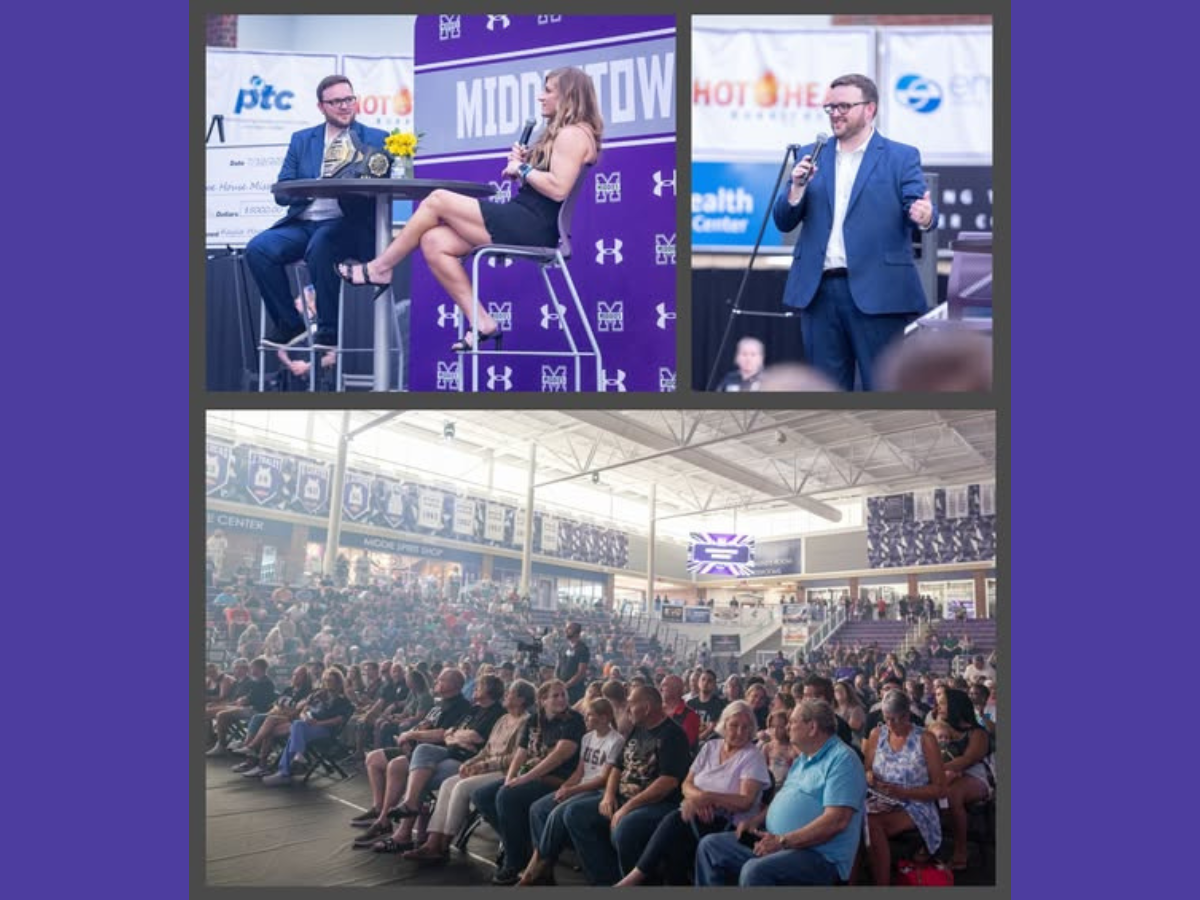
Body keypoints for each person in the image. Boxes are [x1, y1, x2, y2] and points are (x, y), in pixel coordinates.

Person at [336, 67, 602, 352]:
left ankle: (380, 267)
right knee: (434, 240)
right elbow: (543, 183)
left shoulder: (573, 134)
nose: (541, 97)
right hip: (524, 216)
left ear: (569, 95)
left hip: (534, 225)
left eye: (549, 90)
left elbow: (558, 188)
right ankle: (483, 322)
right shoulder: (561, 133)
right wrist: (523, 166)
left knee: (437, 199)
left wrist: (523, 167)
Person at [771, 73, 936, 391]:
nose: (835, 113)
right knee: (825, 391)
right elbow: (784, 221)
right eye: (829, 107)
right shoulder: (810, 153)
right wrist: (796, 187)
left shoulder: (901, 156)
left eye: (844, 106)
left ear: (870, 109)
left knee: (884, 387)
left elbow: (920, 207)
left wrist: (925, 217)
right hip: (819, 294)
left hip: (880, 293)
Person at [244, 75, 389, 349]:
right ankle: (290, 323)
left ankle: (328, 331)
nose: (345, 106)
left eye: (349, 99)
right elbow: (282, 191)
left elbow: (387, 185)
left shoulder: (377, 139)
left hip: (349, 224)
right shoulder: (302, 140)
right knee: (258, 249)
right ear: (321, 107)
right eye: (336, 102)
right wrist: (314, 189)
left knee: (321, 244)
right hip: (304, 222)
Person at [694, 699, 866, 886]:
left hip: (818, 855)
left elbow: (836, 821)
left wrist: (782, 841)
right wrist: (755, 821)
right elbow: (783, 797)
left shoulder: (842, 760)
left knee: (755, 871)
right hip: (778, 841)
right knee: (711, 847)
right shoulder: (804, 758)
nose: (788, 727)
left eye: (793, 722)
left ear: (812, 727)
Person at [616, 701, 770, 886]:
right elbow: (686, 784)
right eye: (734, 725)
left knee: (675, 822)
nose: (739, 732)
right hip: (695, 813)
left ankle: (632, 880)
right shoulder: (711, 747)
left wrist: (708, 798)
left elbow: (746, 801)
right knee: (671, 840)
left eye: (746, 728)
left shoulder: (752, 756)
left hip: (731, 824)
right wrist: (698, 800)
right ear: (724, 724)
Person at [561, 686, 691, 885]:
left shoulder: (672, 735)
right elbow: (617, 767)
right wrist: (609, 796)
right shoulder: (637, 729)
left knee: (625, 828)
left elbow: (668, 782)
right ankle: (607, 880)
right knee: (575, 813)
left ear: (646, 708)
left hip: (657, 804)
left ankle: (638, 885)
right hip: (622, 796)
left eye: (631, 704)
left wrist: (628, 807)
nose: (626, 709)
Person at [400, 680, 536, 863]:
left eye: (510, 693)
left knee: (461, 787)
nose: (505, 695)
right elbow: (486, 749)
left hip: (505, 772)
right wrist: (471, 762)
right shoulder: (503, 719)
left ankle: (442, 845)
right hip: (486, 766)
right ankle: (432, 842)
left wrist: (484, 766)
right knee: (448, 784)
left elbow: (516, 758)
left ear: (521, 699)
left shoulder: (526, 722)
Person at [472, 679, 585, 885]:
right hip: (531, 775)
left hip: (558, 779)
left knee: (508, 795)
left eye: (564, 695)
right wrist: (509, 778)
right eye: (555, 695)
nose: (561, 699)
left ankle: (514, 862)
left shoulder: (573, 720)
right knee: (482, 796)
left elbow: (560, 756)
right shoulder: (534, 720)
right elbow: (520, 753)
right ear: (543, 700)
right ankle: (521, 847)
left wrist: (523, 778)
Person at [520, 697, 626, 885]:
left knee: (559, 812)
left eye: (590, 716)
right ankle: (545, 866)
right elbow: (580, 771)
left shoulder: (616, 741)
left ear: (603, 718)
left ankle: (536, 865)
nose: (585, 719)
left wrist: (572, 791)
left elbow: (603, 779)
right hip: (581, 785)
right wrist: (565, 787)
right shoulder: (587, 738)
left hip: (596, 790)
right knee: (538, 808)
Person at [861, 691, 946, 884]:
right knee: (851, 819)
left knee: (872, 824)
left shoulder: (925, 739)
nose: (890, 725)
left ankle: (880, 885)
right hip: (881, 799)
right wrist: (871, 777)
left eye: (895, 720)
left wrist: (903, 792)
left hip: (916, 804)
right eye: (886, 719)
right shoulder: (877, 734)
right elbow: (867, 769)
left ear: (907, 716)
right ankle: (849, 881)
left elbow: (940, 789)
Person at [556, 621, 591, 705]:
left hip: (575, 690)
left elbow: (581, 672)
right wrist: (557, 681)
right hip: (561, 687)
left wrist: (567, 685)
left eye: (569, 628)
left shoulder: (583, 649)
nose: (566, 630)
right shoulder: (563, 647)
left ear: (576, 632)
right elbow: (558, 665)